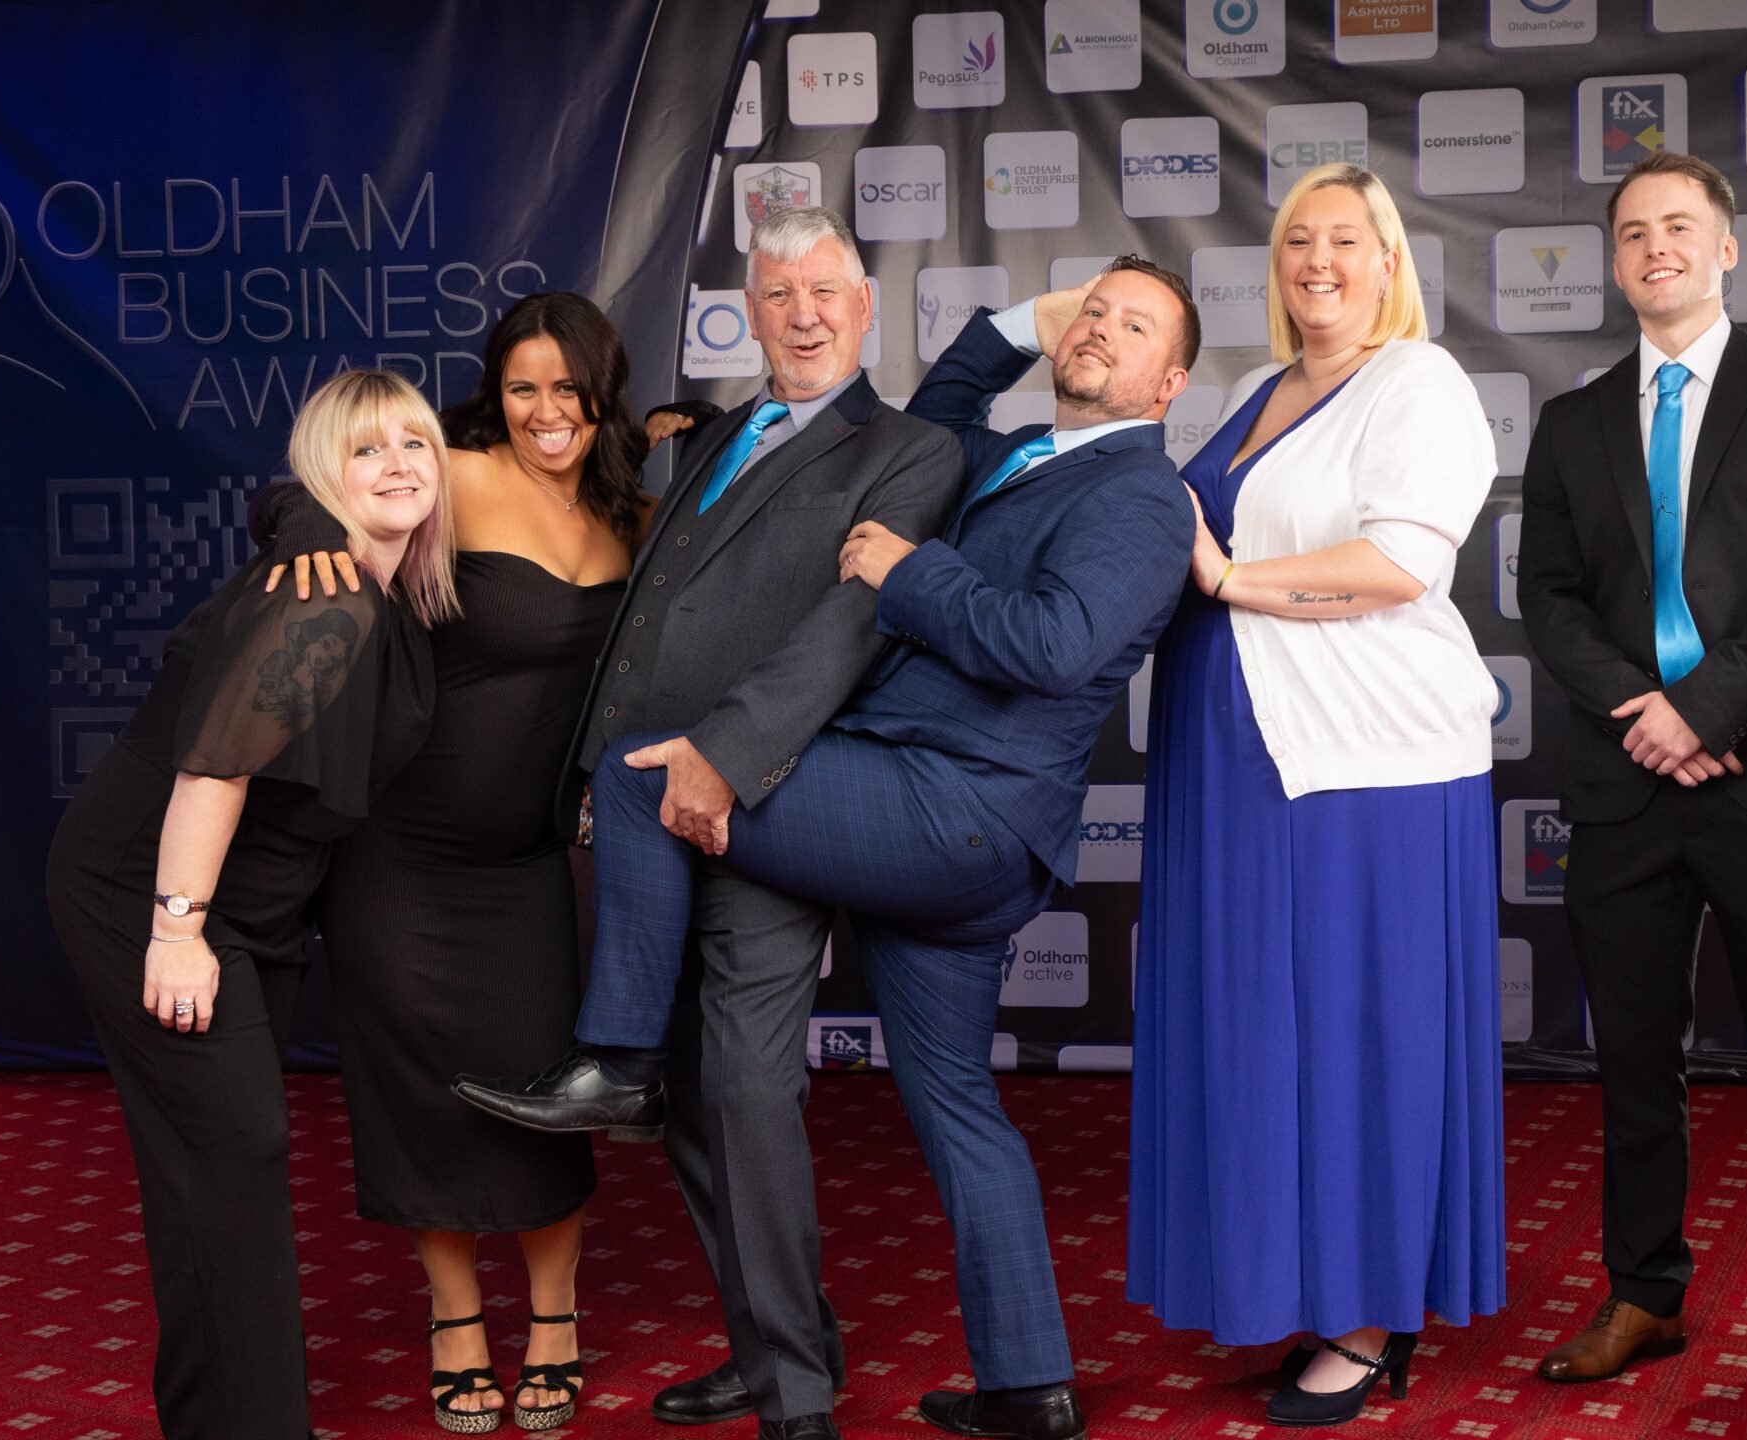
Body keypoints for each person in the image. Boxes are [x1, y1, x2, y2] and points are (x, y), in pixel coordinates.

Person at [467, 255, 1199, 1440]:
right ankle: (1031, 1386)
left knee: (655, 766)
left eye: (1136, 329)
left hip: (950, 809)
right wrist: (1031, 318)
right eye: (1095, 313)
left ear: (1168, 385)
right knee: (959, 1104)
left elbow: (1054, 646)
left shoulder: (1140, 496)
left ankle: (620, 1059)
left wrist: (913, 571)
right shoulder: (1003, 454)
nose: (1102, 333)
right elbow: (946, 401)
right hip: (923, 821)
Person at [449, 205, 966, 1440]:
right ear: (752, 309)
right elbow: (651, 616)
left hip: (760, 806)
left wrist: (724, 763)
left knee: (740, 1087)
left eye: (823, 293)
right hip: (639, 816)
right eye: (776, 294)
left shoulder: (909, 452)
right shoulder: (716, 432)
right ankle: (776, 1343)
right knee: (684, 1094)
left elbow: (847, 626)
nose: (799, 315)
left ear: (866, 307)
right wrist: (592, 767)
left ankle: (794, 1401)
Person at [250, 293, 702, 1431]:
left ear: (606, 394)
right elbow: (303, 491)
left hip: (524, 861)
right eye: (522, 386)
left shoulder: (638, 512)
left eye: (569, 389)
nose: (546, 412)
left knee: (542, 1094)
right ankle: (455, 1320)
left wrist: (685, 440)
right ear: (493, 392)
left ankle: (554, 1320)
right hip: (397, 853)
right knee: (421, 1097)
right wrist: (307, 533)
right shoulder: (453, 470)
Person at [1124, 162, 1504, 1429]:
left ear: (1390, 262)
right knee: (1261, 1037)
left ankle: (1368, 1312)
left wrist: (1228, 580)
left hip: (1365, 766)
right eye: (1298, 242)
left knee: (1355, 1038)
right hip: (1235, 752)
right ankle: (1292, 1277)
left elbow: (1400, 563)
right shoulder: (1251, 388)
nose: (1319, 261)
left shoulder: (1420, 382)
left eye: (1347, 241)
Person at [1515, 150, 1747, 1420]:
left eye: (1679, 226)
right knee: (1629, 1059)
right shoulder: (1569, 422)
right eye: (1630, 231)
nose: (1654, 246)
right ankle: (1646, 1291)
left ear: (1728, 247)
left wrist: (1704, 709)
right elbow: (1544, 599)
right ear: (1613, 260)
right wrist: (1645, 717)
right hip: (1627, 784)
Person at [44, 369, 453, 1439]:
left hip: (255, 900)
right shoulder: (321, 597)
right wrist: (174, 932)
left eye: (414, 442)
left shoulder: (374, 577)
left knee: (208, 1163)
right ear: (326, 471)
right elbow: (213, 772)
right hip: (157, 887)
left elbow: (283, 499)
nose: (399, 464)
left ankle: (223, 1419)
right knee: (231, 1149)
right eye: (365, 450)